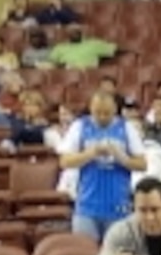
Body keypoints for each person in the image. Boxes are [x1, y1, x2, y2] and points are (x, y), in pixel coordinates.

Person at [59, 87, 148, 240]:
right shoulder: (80, 126)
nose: (101, 117)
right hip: (86, 206)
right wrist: (90, 153)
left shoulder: (126, 128)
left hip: (119, 205)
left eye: (106, 113)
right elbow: (64, 162)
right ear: (91, 109)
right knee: (85, 250)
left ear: (115, 110)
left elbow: (142, 164)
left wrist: (121, 157)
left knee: (117, 251)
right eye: (97, 112)